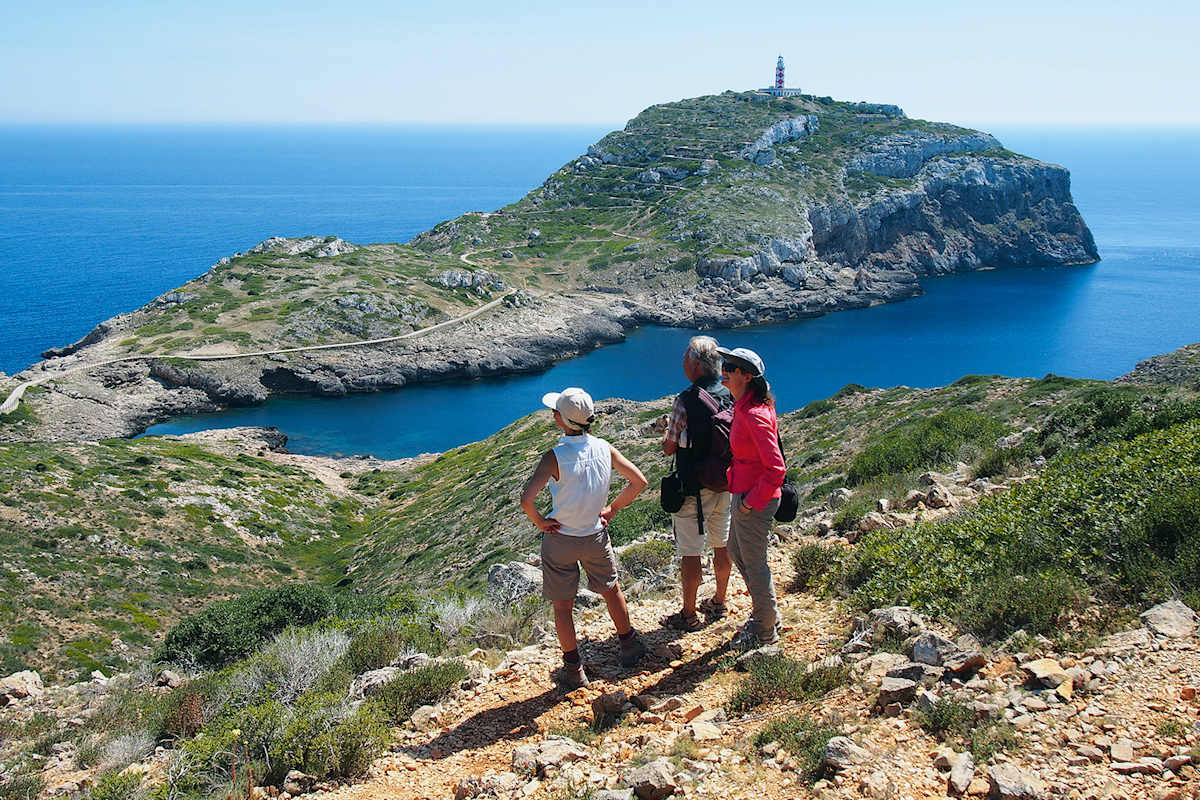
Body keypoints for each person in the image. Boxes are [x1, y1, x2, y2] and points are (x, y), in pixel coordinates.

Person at [520, 386, 649, 689]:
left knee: (563, 607)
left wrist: (541, 522)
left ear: (561, 420)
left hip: (561, 538)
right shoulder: (605, 448)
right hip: (595, 535)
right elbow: (639, 481)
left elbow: (527, 499)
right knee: (611, 589)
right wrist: (612, 509)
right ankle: (629, 645)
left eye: (555, 412)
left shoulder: (555, 457)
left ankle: (574, 670)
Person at [660, 335, 733, 631]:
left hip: (693, 486)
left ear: (697, 365)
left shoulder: (686, 400)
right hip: (726, 482)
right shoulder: (730, 392)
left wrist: (667, 434)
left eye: (685, 359)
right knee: (722, 544)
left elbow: (670, 447)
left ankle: (688, 614)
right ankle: (719, 600)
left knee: (690, 552)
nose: (681, 363)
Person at [716, 346, 786, 647]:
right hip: (744, 492)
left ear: (746, 376)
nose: (724, 370)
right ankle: (766, 613)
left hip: (754, 498)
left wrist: (749, 503)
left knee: (754, 561)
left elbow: (776, 467)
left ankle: (764, 630)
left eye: (730, 367)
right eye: (723, 364)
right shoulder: (745, 407)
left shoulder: (754, 414)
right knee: (736, 551)